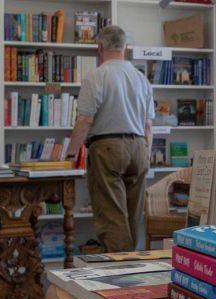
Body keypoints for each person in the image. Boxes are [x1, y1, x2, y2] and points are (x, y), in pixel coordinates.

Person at [65, 26, 152, 253]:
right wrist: (147, 154)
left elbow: (85, 121)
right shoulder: (142, 79)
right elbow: (148, 125)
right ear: (125, 48)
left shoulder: (96, 76)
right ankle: (134, 271)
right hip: (139, 147)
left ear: (99, 48)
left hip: (107, 148)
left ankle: (121, 277)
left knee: (112, 217)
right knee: (133, 216)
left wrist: (70, 155)